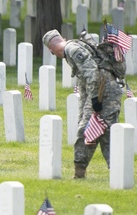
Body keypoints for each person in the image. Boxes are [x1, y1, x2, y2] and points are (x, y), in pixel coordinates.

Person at [43, 30, 122, 178]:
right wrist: (83, 111)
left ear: (50, 50)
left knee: (89, 131)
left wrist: (94, 101)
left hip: (104, 93)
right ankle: (114, 172)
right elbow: (83, 83)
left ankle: (85, 173)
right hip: (103, 91)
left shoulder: (72, 50)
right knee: (103, 132)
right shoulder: (74, 48)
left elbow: (92, 73)